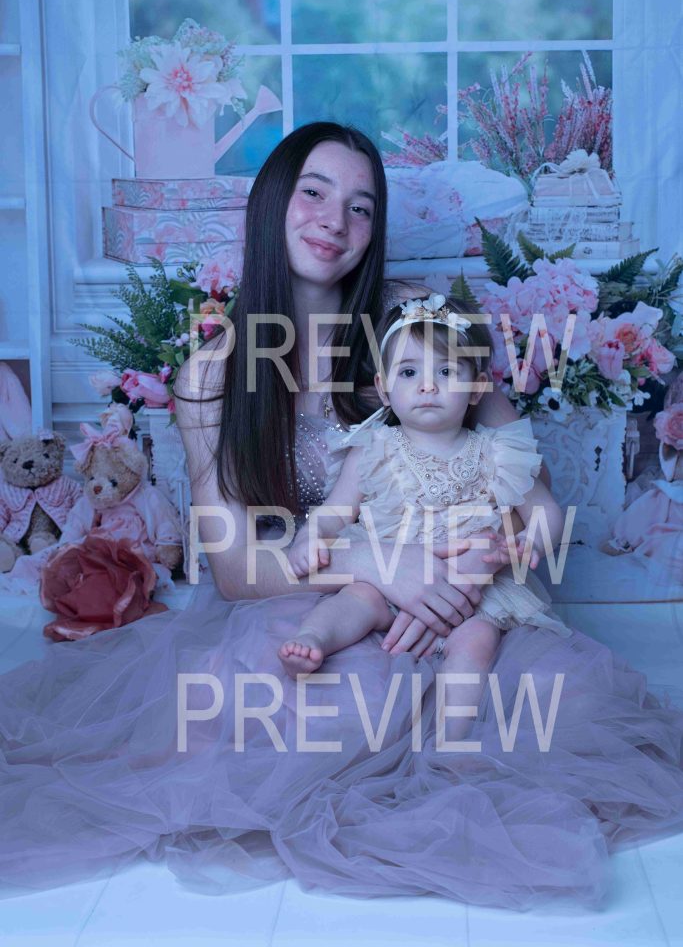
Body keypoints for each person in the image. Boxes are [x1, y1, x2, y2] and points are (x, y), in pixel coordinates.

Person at [0, 123, 682, 911]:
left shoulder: (414, 321)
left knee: (567, 704)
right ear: (271, 203)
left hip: (460, 590)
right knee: (307, 703)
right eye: (314, 193)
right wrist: (380, 567)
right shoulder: (213, 374)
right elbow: (234, 567)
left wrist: (472, 569)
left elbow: (527, 481)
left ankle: (451, 739)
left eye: (361, 207)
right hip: (311, 594)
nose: (335, 220)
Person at [278, 293, 572, 694]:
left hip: (475, 595)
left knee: (477, 642)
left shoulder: (498, 452)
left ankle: (455, 730)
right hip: (388, 581)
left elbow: (547, 511)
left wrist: (528, 541)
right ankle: (312, 640)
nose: (428, 386)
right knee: (354, 600)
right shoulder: (373, 449)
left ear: (476, 388)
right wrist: (310, 536)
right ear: (384, 389)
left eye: (447, 371)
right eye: (409, 372)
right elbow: (335, 512)